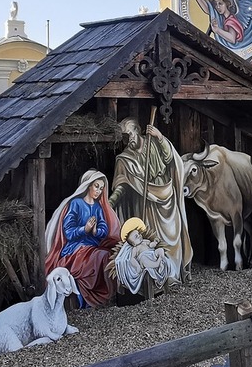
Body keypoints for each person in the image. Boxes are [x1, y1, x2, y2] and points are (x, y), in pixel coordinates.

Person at [110, 118, 193, 277]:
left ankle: (173, 273)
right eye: (124, 138)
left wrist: (160, 136)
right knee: (149, 238)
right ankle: (156, 275)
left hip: (166, 195)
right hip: (145, 203)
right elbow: (121, 185)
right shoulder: (124, 159)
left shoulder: (153, 142)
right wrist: (110, 202)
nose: (127, 140)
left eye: (129, 135)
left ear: (137, 130)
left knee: (172, 235)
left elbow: (169, 158)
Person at [45, 169, 121, 308]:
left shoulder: (98, 207)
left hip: (93, 247)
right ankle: (86, 302)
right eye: (96, 186)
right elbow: (68, 231)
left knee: (106, 256)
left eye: (101, 188)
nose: (99, 191)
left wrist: (96, 231)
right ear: (88, 185)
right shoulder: (76, 203)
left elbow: (104, 230)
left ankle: (104, 300)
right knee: (100, 256)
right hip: (75, 248)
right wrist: (84, 229)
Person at [110, 217, 181, 302]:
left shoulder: (145, 241)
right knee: (144, 259)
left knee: (160, 250)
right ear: (133, 243)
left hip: (153, 255)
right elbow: (132, 259)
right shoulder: (135, 248)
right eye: (136, 237)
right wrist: (137, 266)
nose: (139, 236)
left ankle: (160, 261)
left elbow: (151, 245)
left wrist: (155, 242)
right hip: (144, 259)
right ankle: (157, 263)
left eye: (139, 234)